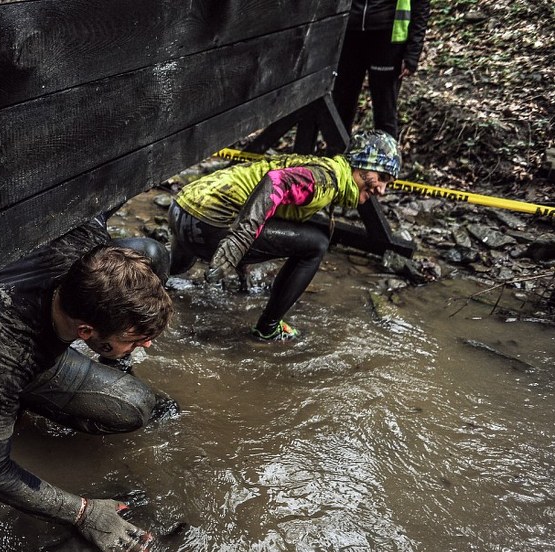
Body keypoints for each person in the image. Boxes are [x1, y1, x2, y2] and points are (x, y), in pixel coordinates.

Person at [0, 212, 173, 552]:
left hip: (7, 291)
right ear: (84, 331)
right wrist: (84, 513)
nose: (146, 345)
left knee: (150, 251)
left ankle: (104, 358)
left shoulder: (85, 238)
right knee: (135, 406)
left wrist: (124, 340)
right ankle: (22, 399)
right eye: (135, 340)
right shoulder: (3, 355)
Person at [168, 130, 401, 341]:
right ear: (361, 164)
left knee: (173, 270)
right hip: (209, 224)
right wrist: (241, 238)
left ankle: (153, 271)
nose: (381, 190)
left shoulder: (321, 168)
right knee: (316, 244)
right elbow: (276, 181)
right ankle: (268, 328)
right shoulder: (327, 180)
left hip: (181, 212)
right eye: (381, 178)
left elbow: (267, 199)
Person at [332, 0, 431, 139]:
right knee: (341, 109)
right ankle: (336, 156)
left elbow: (420, 4)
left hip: (387, 39)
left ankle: (387, 158)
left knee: (385, 113)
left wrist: (413, 51)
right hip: (348, 35)